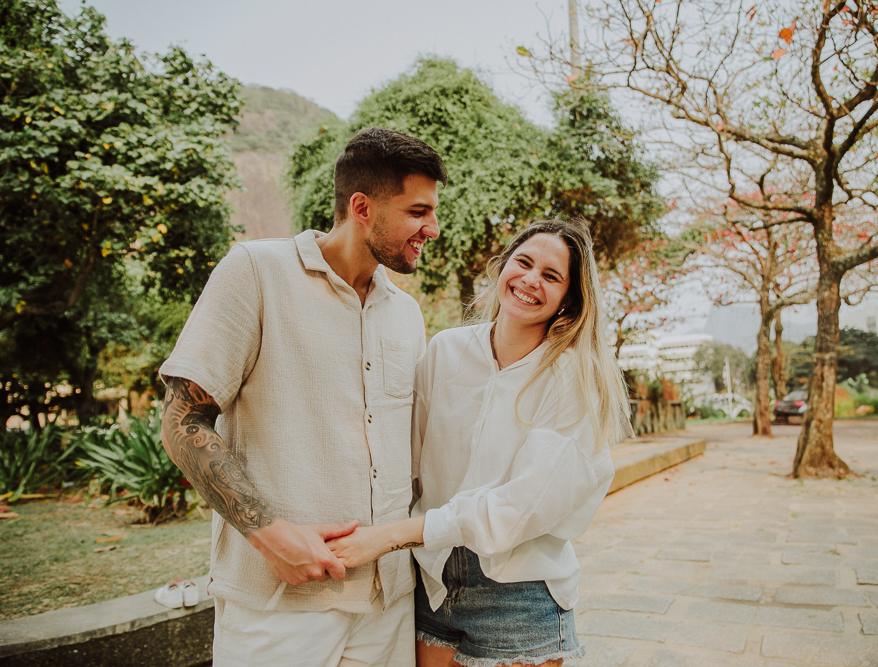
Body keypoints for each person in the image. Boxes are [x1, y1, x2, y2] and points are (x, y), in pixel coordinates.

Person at [158, 127, 447, 666]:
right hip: (279, 607)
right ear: (362, 208)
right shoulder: (255, 271)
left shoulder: (407, 314)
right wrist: (270, 535)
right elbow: (182, 422)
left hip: (388, 601)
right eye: (418, 212)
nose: (432, 228)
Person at [327, 219, 632, 667]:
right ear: (502, 266)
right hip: (433, 580)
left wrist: (390, 536)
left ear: (569, 299)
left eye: (551, 276)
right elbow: (409, 462)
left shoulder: (573, 378)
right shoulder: (445, 351)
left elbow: (521, 507)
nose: (531, 279)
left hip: (517, 591)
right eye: (523, 262)